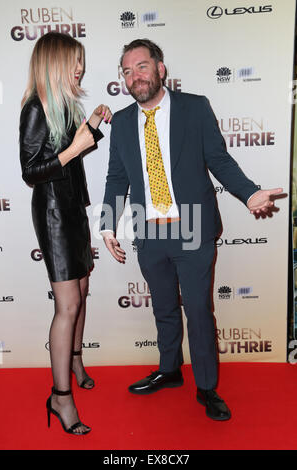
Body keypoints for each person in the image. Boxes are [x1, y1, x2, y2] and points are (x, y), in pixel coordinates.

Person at [100, 38, 283, 421]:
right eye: (128, 71)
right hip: (149, 233)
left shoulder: (195, 108)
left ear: (160, 68)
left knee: (198, 310)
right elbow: (117, 177)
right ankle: (169, 371)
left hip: (193, 227)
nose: (135, 76)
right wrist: (107, 225)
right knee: (165, 309)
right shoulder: (120, 122)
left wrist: (248, 194)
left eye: (142, 66)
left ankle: (206, 387)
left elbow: (219, 159)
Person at [20, 32, 112, 435]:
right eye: (76, 62)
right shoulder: (36, 108)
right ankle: (60, 396)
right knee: (68, 305)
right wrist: (76, 147)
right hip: (54, 214)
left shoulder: (65, 105)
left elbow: (73, 155)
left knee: (83, 290)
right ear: (55, 63)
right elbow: (31, 172)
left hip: (74, 209)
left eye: (82, 62)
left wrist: (89, 125)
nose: (81, 68)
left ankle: (75, 357)